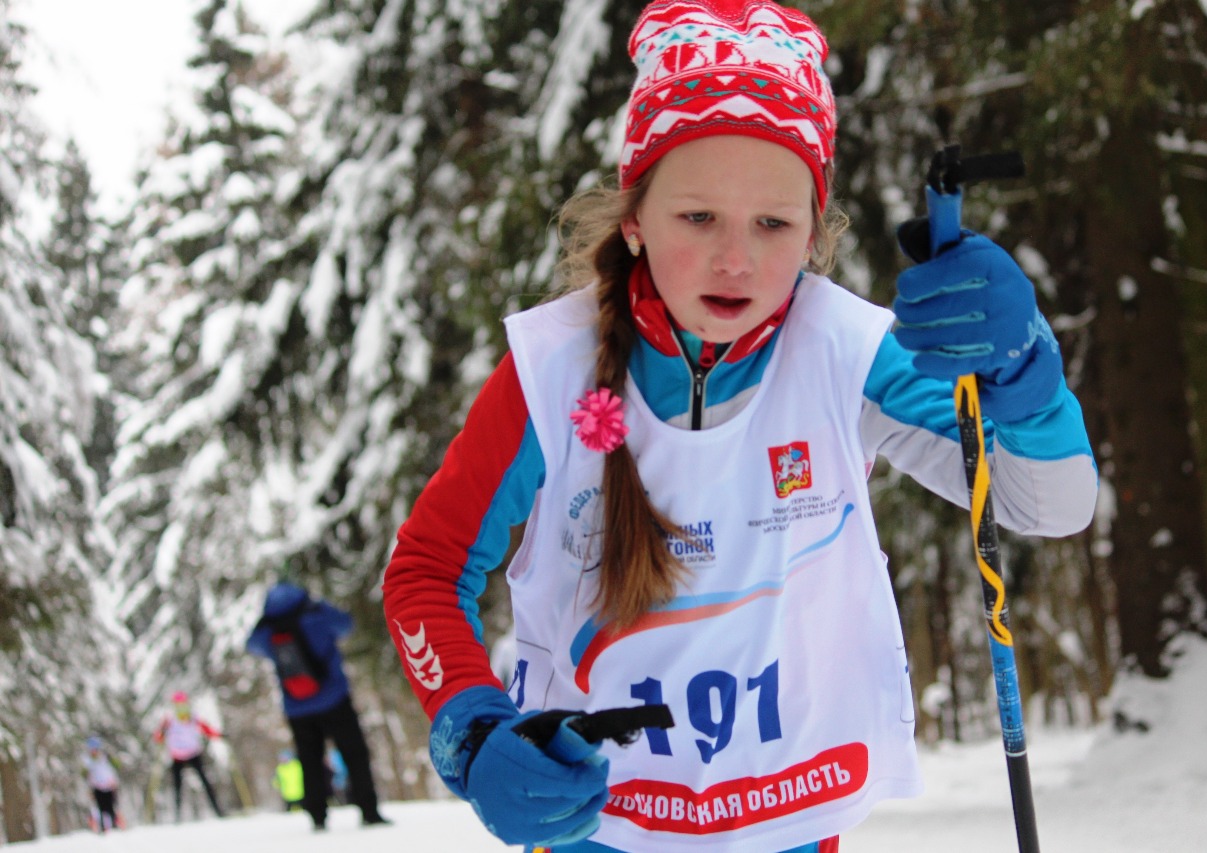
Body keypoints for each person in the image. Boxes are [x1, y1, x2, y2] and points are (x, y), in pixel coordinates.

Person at [381, 0, 1098, 850]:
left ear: (814, 233)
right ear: (636, 219)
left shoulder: (846, 353)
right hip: (595, 821)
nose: (736, 259)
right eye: (697, 218)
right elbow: (427, 570)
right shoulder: (554, 373)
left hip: (785, 818)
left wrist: (1023, 374)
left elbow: (1046, 505)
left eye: (772, 223)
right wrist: (473, 727)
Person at [246, 581, 390, 831]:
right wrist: (319, 604)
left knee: (310, 760)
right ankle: (369, 810)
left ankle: (317, 815)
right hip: (334, 698)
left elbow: (252, 645)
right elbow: (346, 624)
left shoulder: (269, 629)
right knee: (353, 753)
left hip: (296, 707)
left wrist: (264, 620)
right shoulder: (317, 616)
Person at [153, 691, 225, 820]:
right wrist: (161, 733)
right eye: (178, 705)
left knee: (205, 782)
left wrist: (219, 735)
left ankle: (218, 811)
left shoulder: (193, 717)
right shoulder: (169, 720)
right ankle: (177, 815)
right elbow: (158, 738)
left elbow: (207, 730)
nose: (181, 707)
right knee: (178, 786)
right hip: (177, 756)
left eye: (183, 704)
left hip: (193, 753)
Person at [83, 736, 122, 833]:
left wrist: (112, 759)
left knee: (110, 807)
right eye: (92, 749)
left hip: (109, 786)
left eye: (95, 749)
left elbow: (117, 765)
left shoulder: (105, 757)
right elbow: (84, 774)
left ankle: (114, 825)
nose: (94, 751)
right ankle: (103, 827)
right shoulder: (87, 761)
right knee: (100, 808)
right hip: (97, 788)